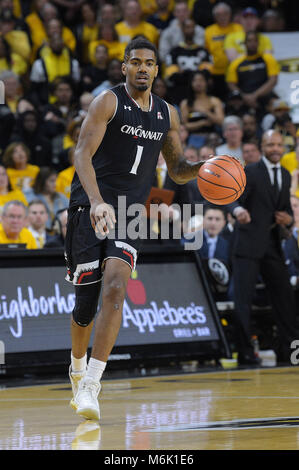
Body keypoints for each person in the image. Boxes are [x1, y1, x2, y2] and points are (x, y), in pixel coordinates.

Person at [66, 38, 207, 421]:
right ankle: (77, 368)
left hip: (129, 211)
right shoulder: (107, 102)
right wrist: (96, 203)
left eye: (149, 63)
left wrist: (205, 167)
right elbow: (81, 154)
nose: (143, 68)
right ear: (124, 67)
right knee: (84, 306)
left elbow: (177, 170)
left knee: (116, 283)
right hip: (89, 204)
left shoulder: (168, 114)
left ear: (157, 70)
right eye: (136, 62)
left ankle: (93, 383)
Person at [229, 130, 298, 365]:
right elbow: (231, 197)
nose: (276, 149)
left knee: (285, 299)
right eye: (270, 145)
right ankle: (246, 353)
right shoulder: (250, 171)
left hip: (272, 245)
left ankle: (290, 352)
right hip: (247, 244)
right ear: (262, 147)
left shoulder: (287, 175)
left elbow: (287, 209)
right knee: (243, 301)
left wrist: (288, 219)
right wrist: (238, 211)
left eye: (279, 144)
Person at [226, 31, 279, 114]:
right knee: (233, 101)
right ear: (245, 43)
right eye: (249, 41)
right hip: (243, 98)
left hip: (264, 97)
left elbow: (273, 80)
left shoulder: (268, 59)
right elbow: (231, 84)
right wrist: (244, 97)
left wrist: (255, 95)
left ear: (258, 43)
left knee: (276, 103)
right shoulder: (236, 63)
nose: (252, 43)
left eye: (255, 41)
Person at [164, 18, 211, 105]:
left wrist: (183, 73)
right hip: (179, 95)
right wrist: (196, 74)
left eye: (192, 27)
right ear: (182, 29)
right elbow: (172, 76)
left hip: (200, 96)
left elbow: (206, 74)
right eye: (187, 27)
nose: (190, 30)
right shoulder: (174, 52)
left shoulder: (203, 51)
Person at [204, 2, 243, 99]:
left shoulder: (238, 28)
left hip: (236, 72)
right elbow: (206, 53)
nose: (222, 17)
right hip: (216, 73)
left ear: (230, 15)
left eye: (225, 14)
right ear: (214, 17)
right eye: (219, 15)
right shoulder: (208, 31)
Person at [180, 70, 224, 148]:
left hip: (212, 137)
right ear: (191, 84)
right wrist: (202, 123)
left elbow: (221, 121)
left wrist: (205, 112)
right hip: (193, 138)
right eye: (195, 80)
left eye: (201, 80)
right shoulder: (186, 103)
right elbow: (184, 126)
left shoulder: (214, 101)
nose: (198, 83)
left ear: (206, 82)